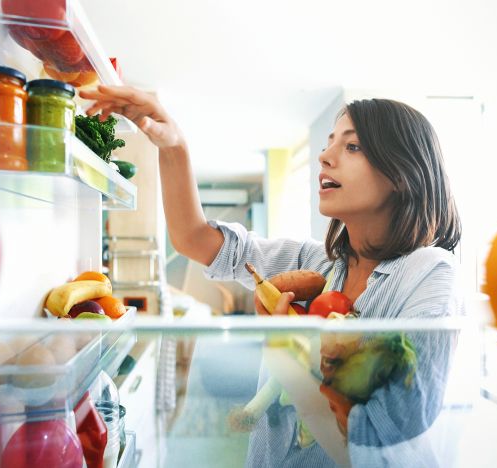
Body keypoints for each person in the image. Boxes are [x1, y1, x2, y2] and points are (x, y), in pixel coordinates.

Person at [81, 85, 463, 467]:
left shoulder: (429, 273)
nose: (325, 156)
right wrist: (173, 144)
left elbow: (380, 439)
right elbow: (193, 238)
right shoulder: (318, 262)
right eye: (330, 142)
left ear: (401, 172)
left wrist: (285, 353)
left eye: (352, 146)